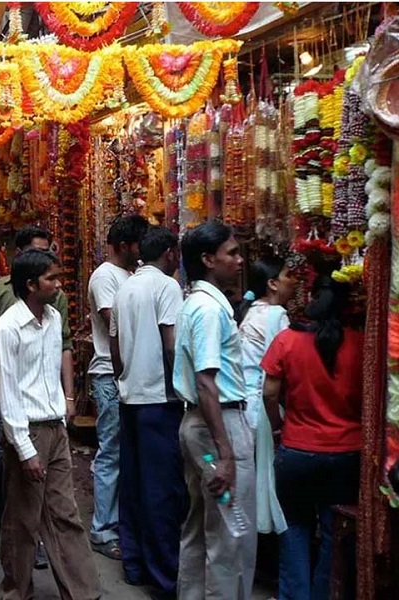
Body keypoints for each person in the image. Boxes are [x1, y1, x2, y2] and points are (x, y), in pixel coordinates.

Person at [0, 249, 100, 600]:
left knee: (65, 512)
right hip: (29, 430)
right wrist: (24, 448)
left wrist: (65, 409)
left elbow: (51, 372)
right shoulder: (8, 329)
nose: (58, 284)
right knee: (23, 520)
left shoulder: (52, 319)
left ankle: (82, 592)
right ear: (31, 285)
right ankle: (16, 591)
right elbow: (8, 393)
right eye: (51, 279)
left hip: (54, 429)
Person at [0, 225, 69, 570]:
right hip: (7, 394)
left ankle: (32, 542)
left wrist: (68, 397)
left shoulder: (55, 299)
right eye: (37, 253)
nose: (54, 278)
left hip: (44, 404)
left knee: (42, 479)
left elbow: (64, 346)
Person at [262, 276, 362, 600]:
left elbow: (269, 392)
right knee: (334, 536)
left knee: (294, 529)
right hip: (346, 453)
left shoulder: (287, 340)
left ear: (310, 299)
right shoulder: (360, 344)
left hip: (297, 449)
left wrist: (278, 425)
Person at [172, 220, 255, 600]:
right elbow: (207, 382)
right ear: (208, 259)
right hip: (218, 426)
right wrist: (225, 454)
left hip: (202, 426)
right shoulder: (207, 309)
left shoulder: (197, 303)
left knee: (201, 526)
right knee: (229, 534)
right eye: (231, 253)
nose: (239, 260)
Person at [108, 226, 186, 597]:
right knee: (161, 490)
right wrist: (184, 390)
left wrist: (125, 377)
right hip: (159, 399)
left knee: (134, 484)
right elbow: (172, 344)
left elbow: (115, 346)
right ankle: (164, 574)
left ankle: (134, 563)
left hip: (130, 397)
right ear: (169, 253)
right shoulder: (167, 287)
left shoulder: (125, 288)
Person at [86, 214, 148, 560]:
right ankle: (103, 528)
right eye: (139, 244)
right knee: (110, 449)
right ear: (124, 246)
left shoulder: (132, 274)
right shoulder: (105, 277)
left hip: (131, 372)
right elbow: (115, 322)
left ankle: (121, 521)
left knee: (125, 449)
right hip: (109, 373)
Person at [239, 256, 295, 535]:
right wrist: (277, 424)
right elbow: (284, 367)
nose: (293, 281)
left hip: (245, 407)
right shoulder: (276, 316)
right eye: (287, 275)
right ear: (272, 284)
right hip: (261, 406)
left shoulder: (252, 311)